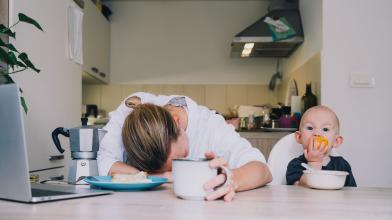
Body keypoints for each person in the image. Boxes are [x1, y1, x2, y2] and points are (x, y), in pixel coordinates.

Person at [98, 92, 272, 201]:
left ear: (176, 122)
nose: (172, 171)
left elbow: (262, 170)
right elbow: (102, 162)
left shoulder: (210, 126)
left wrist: (232, 179)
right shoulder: (128, 114)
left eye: (178, 160)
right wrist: (161, 176)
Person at [286, 105, 357, 187]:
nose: (317, 133)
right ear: (299, 137)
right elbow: (298, 191)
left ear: (336, 141)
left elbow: (351, 193)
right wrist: (314, 163)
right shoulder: (295, 165)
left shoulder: (342, 165)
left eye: (325, 129)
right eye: (310, 128)